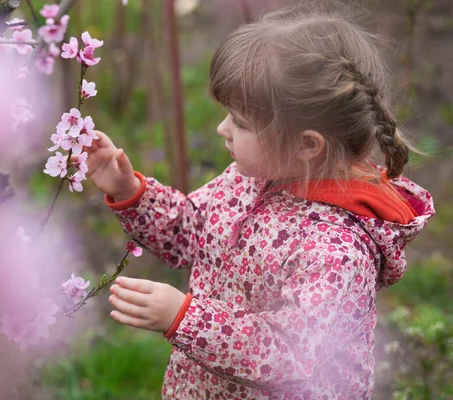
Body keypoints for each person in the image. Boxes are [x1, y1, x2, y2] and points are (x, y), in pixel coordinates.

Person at [82, 5, 435, 399]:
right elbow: (190, 231)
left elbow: (293, 356)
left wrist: (185, 318)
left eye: (240, 122)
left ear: (305, 144)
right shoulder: (249, 180)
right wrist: (130, 190)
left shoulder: (335, 249)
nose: (222, 129)